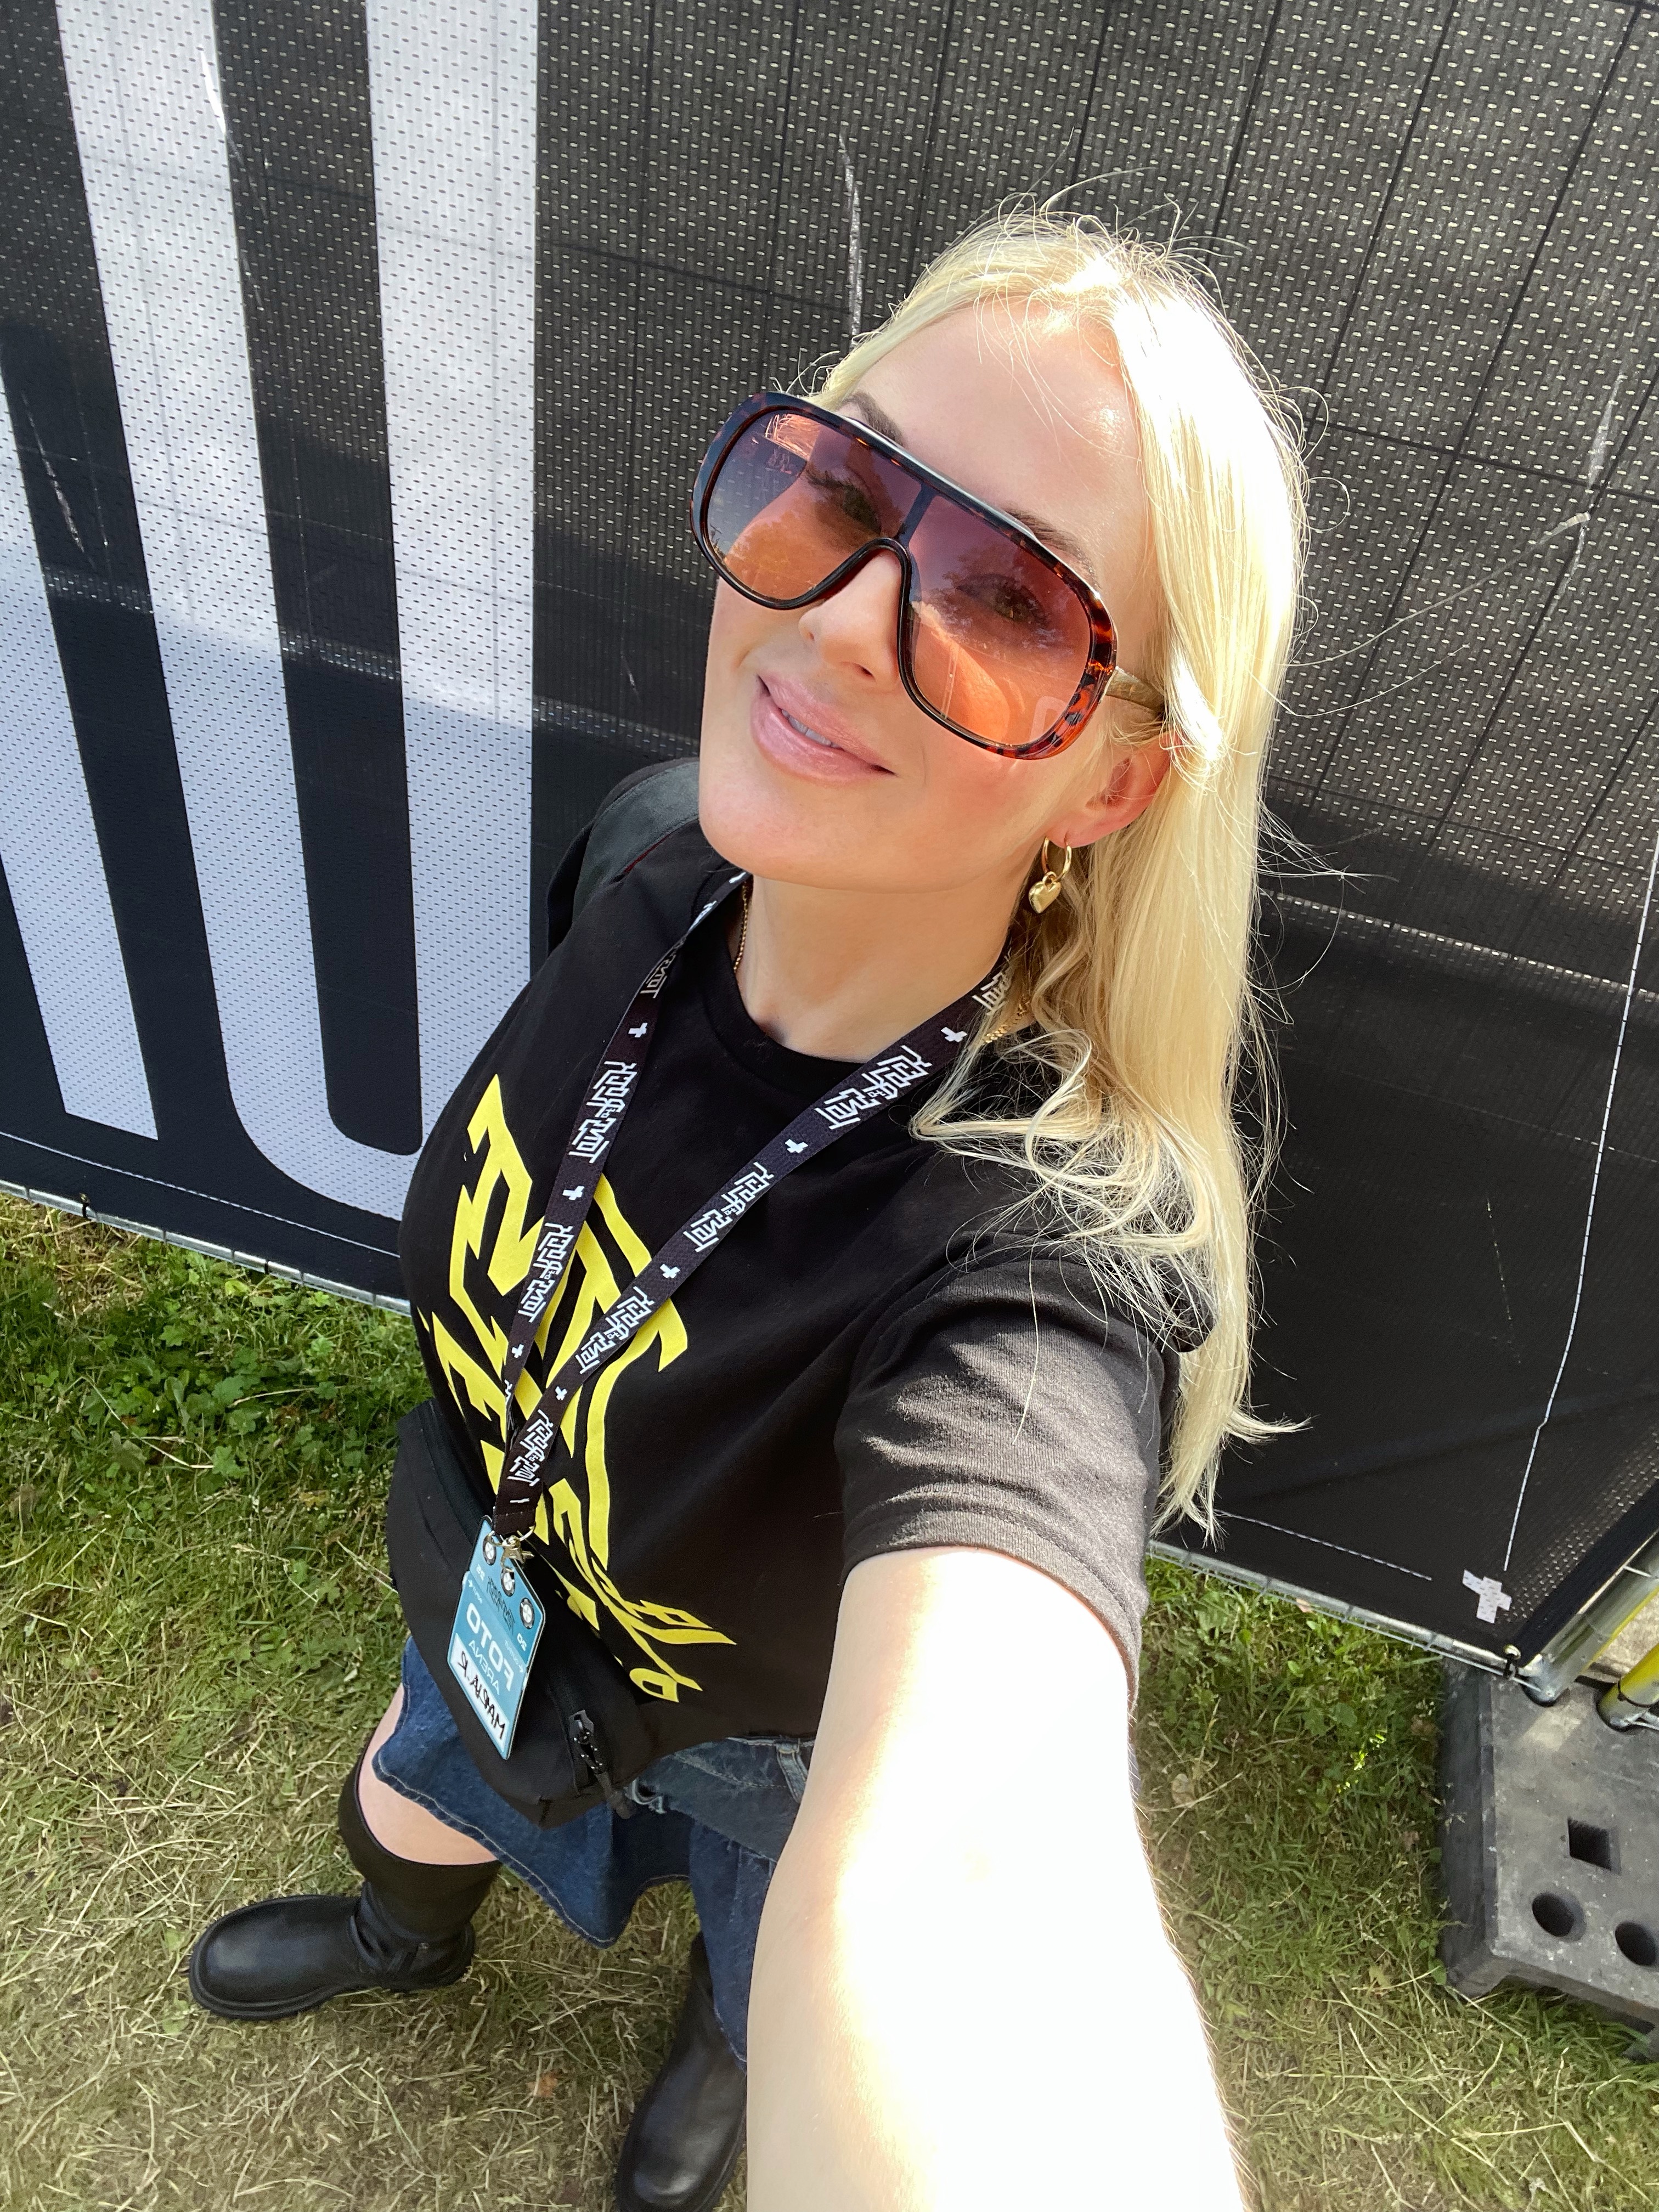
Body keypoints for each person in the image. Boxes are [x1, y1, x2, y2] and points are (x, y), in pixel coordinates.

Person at [187, 207, 1302, 2211]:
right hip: (494, 1575)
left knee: (758, 1947)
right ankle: (400, 1937)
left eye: (1012, 603)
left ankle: (715, 2063)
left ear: (1110, 789)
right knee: (416, 1798)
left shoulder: (1032, 1268)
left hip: (762, 1744)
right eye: (846, 492)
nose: (852, 618)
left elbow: (976, 1875)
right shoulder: (652, 852)